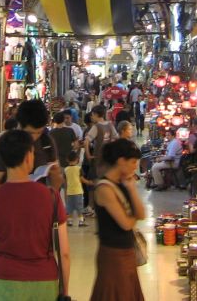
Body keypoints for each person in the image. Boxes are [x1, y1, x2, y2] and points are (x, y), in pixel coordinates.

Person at [0, 129, 70, 300]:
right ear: (28, 157)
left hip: (4, 280)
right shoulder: (51, 197)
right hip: (44, 281)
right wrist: (65, 291)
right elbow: (64, 253)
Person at [90, 139, 146, 301]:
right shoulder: (104, 188)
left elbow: (141, 214)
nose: (135, 166)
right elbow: (126, 223)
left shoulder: (123, 183)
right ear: (121, 161)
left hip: (127, 252)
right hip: (113, 255)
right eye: (133, 162)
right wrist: (133, 216)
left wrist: (131, 189)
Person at [0, 100, 63, 193]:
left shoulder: (47, 143)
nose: (34, 138)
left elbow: (55, 187)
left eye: (39, 132)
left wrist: (56, 177)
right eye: (30, 133)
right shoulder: (6, 144)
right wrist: (19, 192)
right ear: (19, 125)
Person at [84, 105, 118, 181]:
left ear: (96, 114)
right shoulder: (110, 125)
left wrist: (88, 155)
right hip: (109, 158)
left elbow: (86, 141)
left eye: (92, 115)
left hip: (98, 158)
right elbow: (117, 138)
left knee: (97, 180)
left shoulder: (96, 126)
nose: (91, 117)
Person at [64, 150, 91, 227]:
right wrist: (89, 182)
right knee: (79, 207)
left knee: (69, 208)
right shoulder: (79, 168)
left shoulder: (65, 170)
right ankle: (81, 222)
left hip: (69, 192)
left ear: (67, 159)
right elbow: (82, 179)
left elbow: (65, 182)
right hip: (78, 192)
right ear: (77, 159)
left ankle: (69, 221)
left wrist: (66, 191)